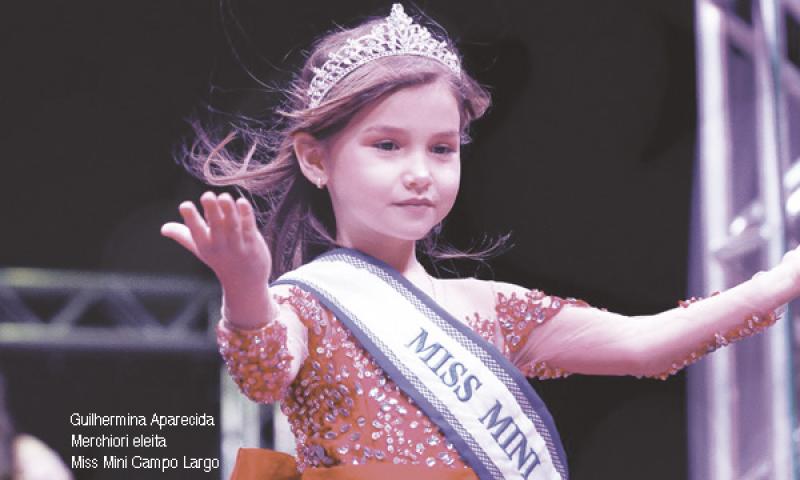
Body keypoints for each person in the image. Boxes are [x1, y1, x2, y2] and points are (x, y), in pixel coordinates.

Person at [161, 4, 796, 479]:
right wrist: (245, 285)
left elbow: (646, 347)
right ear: (314, 158)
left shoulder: (487, 307)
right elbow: (264, 372)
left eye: (442, 149)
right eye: (387, 145)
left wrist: (783, 277)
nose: (420, 171)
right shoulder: (308, 303)